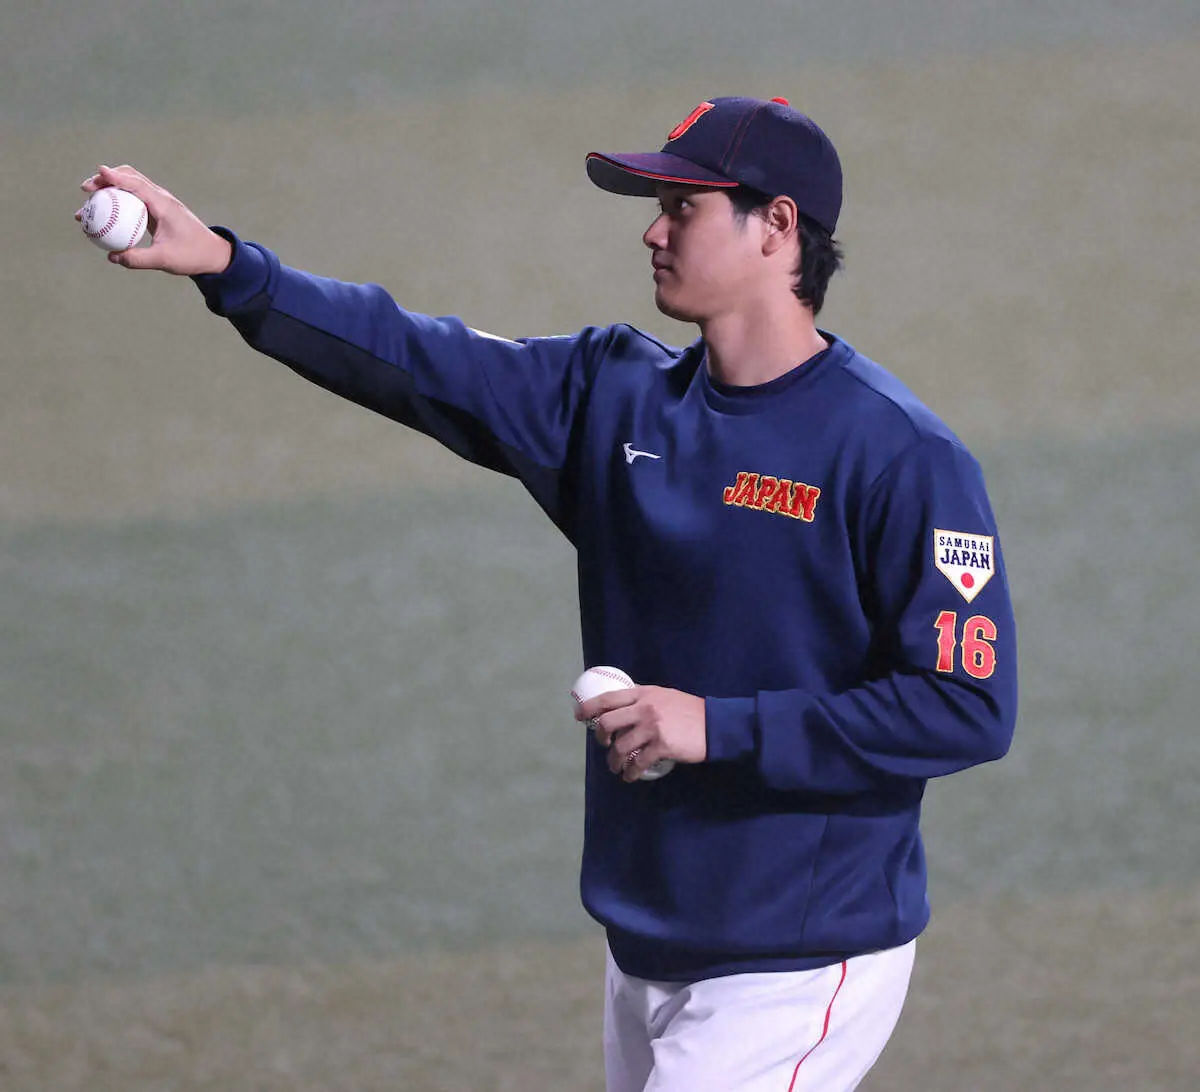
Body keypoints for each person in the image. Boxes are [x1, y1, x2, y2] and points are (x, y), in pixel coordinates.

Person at [79, 95, 1017, 1091]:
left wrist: (717, 726)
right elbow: (414, 356)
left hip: (801, 953)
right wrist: (227, 266)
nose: (653, 231)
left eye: (684, 207)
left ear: (777, 227)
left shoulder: (899, 456)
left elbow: (965, 706)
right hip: (648, 933)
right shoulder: (612, 395)